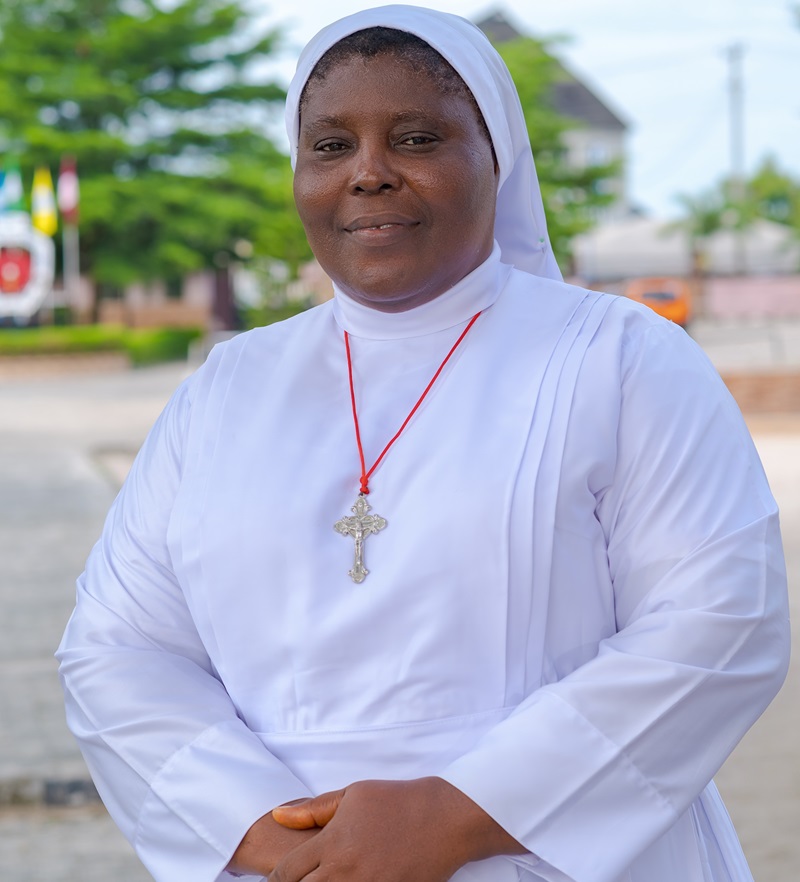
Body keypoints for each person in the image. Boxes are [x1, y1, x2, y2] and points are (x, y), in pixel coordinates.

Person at [57, 6, 790, 882]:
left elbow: (720, 623)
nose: (368, 174)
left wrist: (461, 814)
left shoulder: (622, 359)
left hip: (545, 853)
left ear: (497, 159)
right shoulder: (225, 389)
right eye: (330, 146)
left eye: (414, 137)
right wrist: (253, 823)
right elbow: (117, 645)